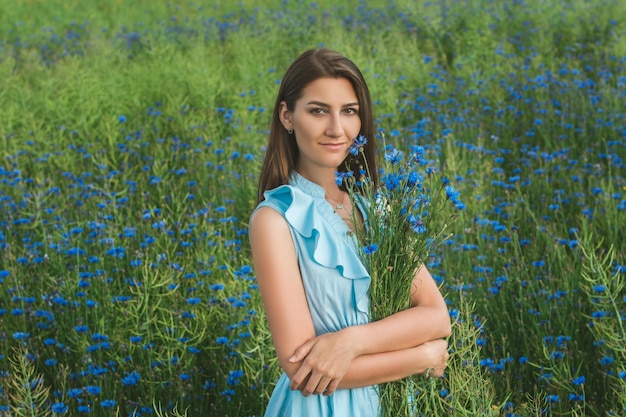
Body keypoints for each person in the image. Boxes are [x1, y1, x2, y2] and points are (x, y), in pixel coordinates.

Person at [249, 48, 451, 417]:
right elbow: (302, 370)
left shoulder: (377, 209)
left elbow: (436, 316)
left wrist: (349, 342)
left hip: (392, 404)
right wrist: (421, 356)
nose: (336, 129)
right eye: (318, 110)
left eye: (349, 111)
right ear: (287, 116)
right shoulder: (275, 220)